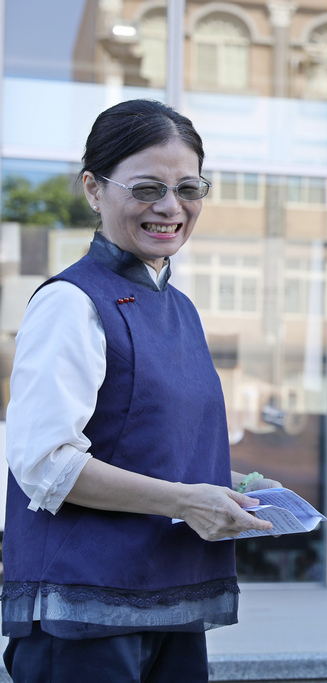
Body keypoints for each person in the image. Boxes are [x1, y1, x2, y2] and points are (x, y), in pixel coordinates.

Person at [1, 99, 281, 683]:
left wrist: (228, 490)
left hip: (170, 599)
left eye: (189, 188)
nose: (170, 207)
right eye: (147, 187)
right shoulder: (70, 302)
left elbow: (143, 446)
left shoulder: (180, 308)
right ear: (93, 189)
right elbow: (44, 465)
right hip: (84, 612)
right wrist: (185, 500)